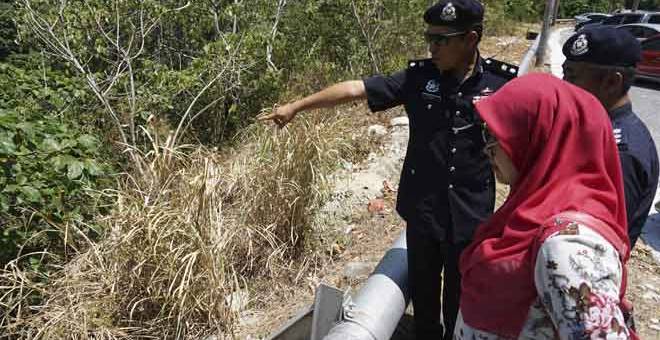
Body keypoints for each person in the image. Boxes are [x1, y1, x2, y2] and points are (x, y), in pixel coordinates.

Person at [259, 1, 518, 338]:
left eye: (442, 40)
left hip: (470, 215)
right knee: (425, 301)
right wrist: (296, 106)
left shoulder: (502, 84)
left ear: (470, 39)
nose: (432, 46)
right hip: (423, 212)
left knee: (461, 299)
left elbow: (526, 149)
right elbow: (356, 89)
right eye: (429, 37)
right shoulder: (417, 77)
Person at [455, 73, 636, 339]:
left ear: (540, 138)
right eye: (487, 133)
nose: (488, 148)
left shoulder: (567, 248)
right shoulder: (533, 207)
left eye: (496, 135)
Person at [562, 26, 659, 248]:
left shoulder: (619, 152)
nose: (563, 84)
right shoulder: (597, 128)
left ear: (612, 82)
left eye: (572, 76)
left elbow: (599, 241)